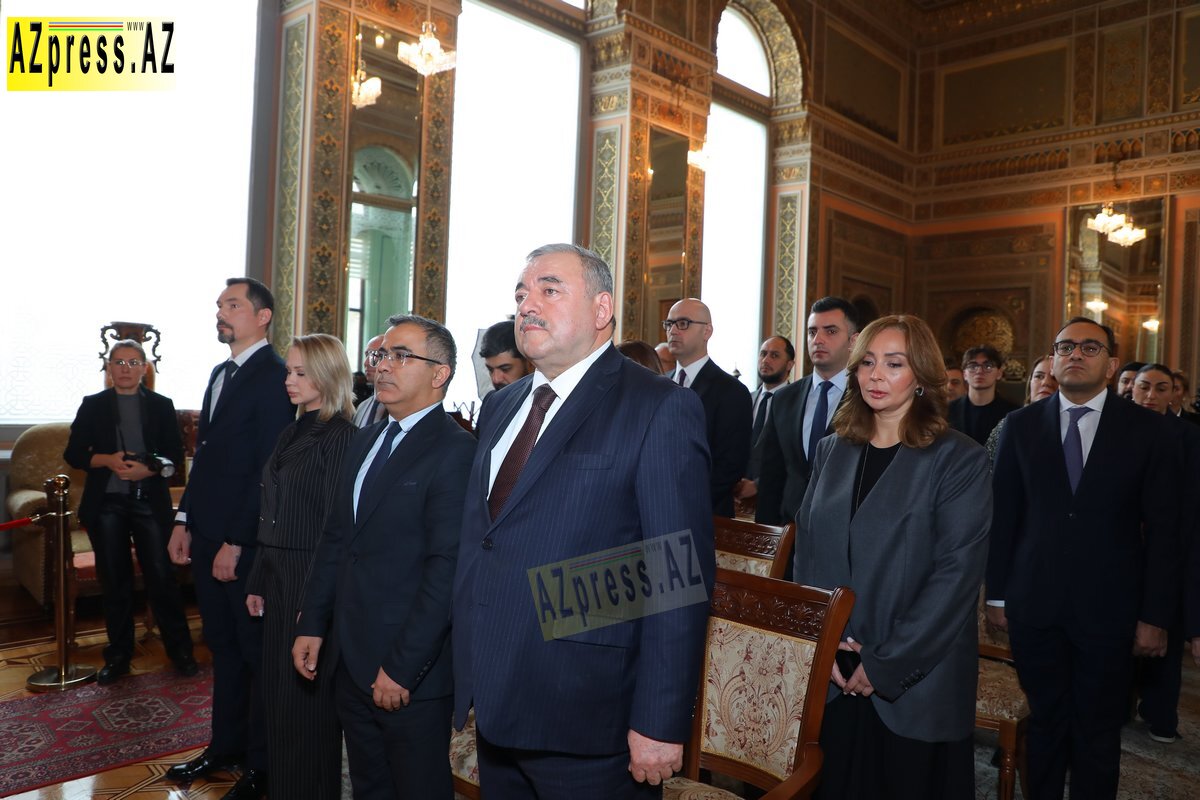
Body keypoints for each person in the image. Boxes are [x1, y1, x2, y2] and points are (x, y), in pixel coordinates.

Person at [453, 243, 714, 798]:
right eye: (521, 294)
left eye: (549, 290)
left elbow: (673, 572)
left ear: (602, 310)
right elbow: (488, 541)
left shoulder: (657, 406)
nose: (527, 305)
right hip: (496, 699)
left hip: (590, 715)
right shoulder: (502, 406)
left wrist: (659, 720)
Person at [793, 314, 991, 800]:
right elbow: (808, 554)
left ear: (921, 376)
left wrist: (884, 663)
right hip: (834, 672)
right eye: (867, 362)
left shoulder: (958, 458)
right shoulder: (831, 449)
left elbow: (955, 578)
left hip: (915, 680)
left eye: (894, 363)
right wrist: (824, 643)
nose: (876, 375)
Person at [987, 317, 1179, 800]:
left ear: (1111, 365)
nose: (1075, 354)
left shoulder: (1148, 429)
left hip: (1111, 609)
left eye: (1089, 348)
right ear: (1052, 360)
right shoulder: (1020, 426)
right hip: (1034, 605)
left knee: (1097, 730)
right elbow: (1004, 518)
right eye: (1065, 347)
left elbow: (1165, 531)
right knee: (1045, 723)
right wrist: (996, 596)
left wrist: (1155, 616)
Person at [294, 315, 475, 799]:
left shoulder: (456, 451)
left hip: (408, 670)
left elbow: (445, 572)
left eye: (402, 356)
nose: (383, 366)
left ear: (439, 373)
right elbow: (337, 539)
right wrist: (313, 622)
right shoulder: (366, 439)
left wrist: (402, 666)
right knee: (369, 786)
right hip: (349, 657)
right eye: (381, 355)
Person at [166, 277, 294, 800]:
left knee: (254, 653)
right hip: (205, 534)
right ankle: (225, 747)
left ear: (263, 317)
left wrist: (237, 541)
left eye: (233, 305)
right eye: (220, 305)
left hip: (242, 543)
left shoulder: (276, 376)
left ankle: (261, 765)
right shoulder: (221, 373)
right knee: (222, 648)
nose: (221, 312)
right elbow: (205, 458)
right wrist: (183, 520)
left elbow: (268, 468)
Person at [243, 334, 355, 798]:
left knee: (304, 713)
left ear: (327, 375)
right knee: (278, 703)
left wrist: (316, 605)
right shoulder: (292, 430)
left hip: (309, 579)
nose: (289, 380)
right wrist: (257, 577)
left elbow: (334, 529)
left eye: (300, 373)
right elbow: (271, 511)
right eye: (289, 371)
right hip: (276, 575)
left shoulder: (340, 435)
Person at [63, 339, 195, 685]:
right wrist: (107, 460)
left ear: (144, 368)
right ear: (109, 368)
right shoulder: (93, 405)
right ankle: (119, 656)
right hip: (106, 503)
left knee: (162, 578)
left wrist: (147, 470)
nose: (125, 368)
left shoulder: (162, 405)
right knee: (115, 582)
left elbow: (173, 456)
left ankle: (180, 651)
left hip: (149, 502)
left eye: (133, 362)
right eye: (119, 362)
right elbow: (74, 454)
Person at [1129, 363, 1194, 744]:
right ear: (1131, 390)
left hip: (1170, 548)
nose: (1151, 395)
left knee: (1165, 632)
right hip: (1124, 550)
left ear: (1174, 394)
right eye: (1143, 387)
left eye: (1160, 388)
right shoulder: (1118, 429)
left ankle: (1160, 713)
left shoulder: (1188, 437)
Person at [756, 296, 860, 526]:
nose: (818, 340)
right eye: (812, 332)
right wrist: (767, 535)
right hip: (790, 529)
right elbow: (772, 475)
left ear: (853, 340)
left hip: (844, 530)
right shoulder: (784, 398)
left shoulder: (866, 398)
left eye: (830, 331)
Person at [664, 297, 752, 516]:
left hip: (705, 514)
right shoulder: (658, 384)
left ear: (707, 331)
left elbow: (731, 465)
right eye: (669, 324)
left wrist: (681, 501)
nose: (673, 330)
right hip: (655, 510)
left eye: (683, 323)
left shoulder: (731, 391)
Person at [736, 335, 795, 502]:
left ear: (789, 364)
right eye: (763, 354)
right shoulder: (745, 399)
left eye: (774, 355)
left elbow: (793, 459)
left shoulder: (796, 402)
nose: (766, 360)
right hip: (736, 499)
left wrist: (758, 485)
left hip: (776, 500)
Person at [984, 353, 1058, 467]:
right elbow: (988, 466)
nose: (1046, 383)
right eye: (1039, 376)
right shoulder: (1010, 423)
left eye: (1054, 378)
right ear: (1030, 383)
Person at [947, 345, 1018, 446]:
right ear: (964, 374)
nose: (979, 371)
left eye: (987, 366)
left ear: (999, 373)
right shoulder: (948, 410)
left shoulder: (1012, 413)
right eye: (972, 366)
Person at [479, 318, 533, 391]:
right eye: (490, 370)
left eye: (505, 369)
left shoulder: (545, 395)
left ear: (530, 364)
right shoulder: (493, 397)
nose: (496, 379)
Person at [352, 333, 388, 428]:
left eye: (376, 355)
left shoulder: (400, 408)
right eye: (367, 355)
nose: (366, 363)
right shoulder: (362, 407)